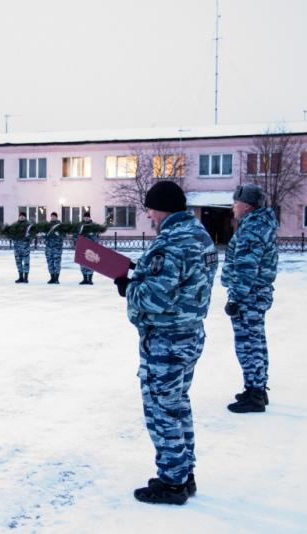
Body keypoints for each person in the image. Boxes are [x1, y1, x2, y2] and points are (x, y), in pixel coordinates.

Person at [113, 181, 218, 505]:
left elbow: (156, 297)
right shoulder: (199, 235)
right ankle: (183, 474)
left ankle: (172, 482)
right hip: (188, 335)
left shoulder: (171, 243)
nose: (148, 215)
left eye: (150, 208)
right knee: (177, 406)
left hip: (167, 341)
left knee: (162, 410)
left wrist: (127, 287)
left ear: (161, 208)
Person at [221, 183, 279, 413]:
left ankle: (254, 394)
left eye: (236, 202)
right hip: (255, 293)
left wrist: (235, 298)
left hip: (249, 296)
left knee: (248, 345)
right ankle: (257, 389)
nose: (233, 207)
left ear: (246, 205)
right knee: (257, 342)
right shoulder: (259, 224)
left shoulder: (251, 229)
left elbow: (246, 267)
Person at [76, 212, 99, 285]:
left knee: (90, 263)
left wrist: (91, 236)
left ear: (89, 218)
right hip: (82, 247)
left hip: (91, 248)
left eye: (87, 217)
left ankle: (90, 279)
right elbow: (75, 235)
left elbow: (97, 237)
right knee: (82, 263)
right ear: (83, 218)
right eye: (85, 217)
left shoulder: (93, 226)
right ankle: (85, 279)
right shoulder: (80, 226)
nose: (86, 218)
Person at [10, 213, 32, 283]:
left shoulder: (28, 225)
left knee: (26, 262)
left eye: (23, 216)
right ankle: (20, 277)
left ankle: (26, 278)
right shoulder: (15, 225)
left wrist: (28, 239)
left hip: (25, 247)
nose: (21, 217)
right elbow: (11, 234)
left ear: (25, 217)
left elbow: (32, 235)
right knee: (18, 262)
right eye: (20, 216)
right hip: (17, 247)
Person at [44, 212, 64, 284]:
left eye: (54, 216)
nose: (52, 217)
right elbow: (45, 236)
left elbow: (63, 235)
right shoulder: (48, 225)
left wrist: (59, 234)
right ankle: (52, 278)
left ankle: (56, 278)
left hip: (57, 248)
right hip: (49, 247)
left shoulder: (60, 225)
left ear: (56, 217)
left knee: (57, 263)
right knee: (50, 263)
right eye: (51, 216)